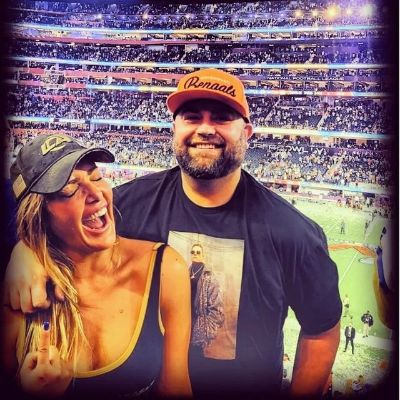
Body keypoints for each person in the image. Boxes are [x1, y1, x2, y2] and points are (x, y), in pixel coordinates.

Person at [4, 68, 342, 398]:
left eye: (222, 118)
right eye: (192, 117)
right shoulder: (125, 206)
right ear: (175, 129)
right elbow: (62, 229)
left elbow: (321, 331)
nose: (205, 129)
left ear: (247, 132)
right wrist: (26, 252)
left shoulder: (294, 232)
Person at [1, 134, 192, 398]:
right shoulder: (19, 297)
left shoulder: (166, 268)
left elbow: (176, 389)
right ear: (39, 214)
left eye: (96, 177)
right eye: (69, 188)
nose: (96, 194)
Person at [189, 243, 224, 352]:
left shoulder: (210, 277)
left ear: (203, 255)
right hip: (185, 318)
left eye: (198, 252)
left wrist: (209, 328)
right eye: (193, 252)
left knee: (196, 353)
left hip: (200, 322)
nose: (195, 254)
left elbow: (216, 305)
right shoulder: (185, 272)